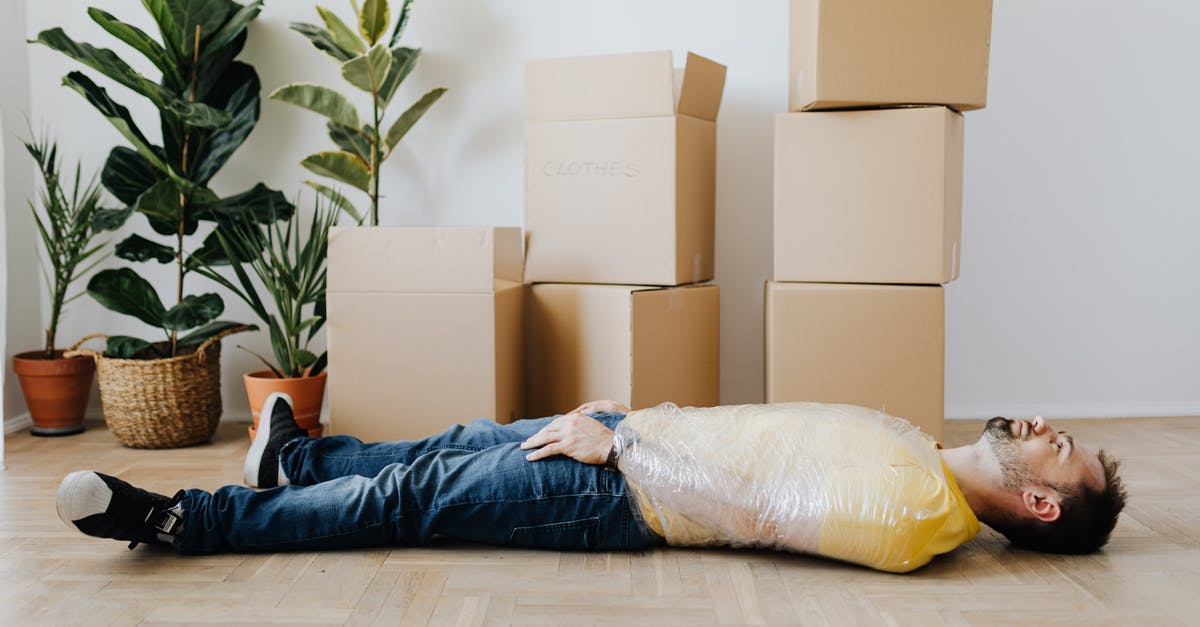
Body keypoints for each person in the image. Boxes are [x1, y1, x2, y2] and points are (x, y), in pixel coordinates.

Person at [55, 395, 1126, 573]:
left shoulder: (912, 518)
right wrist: (628, 422)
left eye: (1055, 446)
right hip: (635, 439)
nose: (1039, 427)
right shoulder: (922, 455)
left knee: (414, 502)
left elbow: (753, 514)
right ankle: (295, 460)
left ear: (1039, 504)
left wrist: (615, 453)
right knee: (459, 441)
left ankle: (186, 522)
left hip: (622, 492)